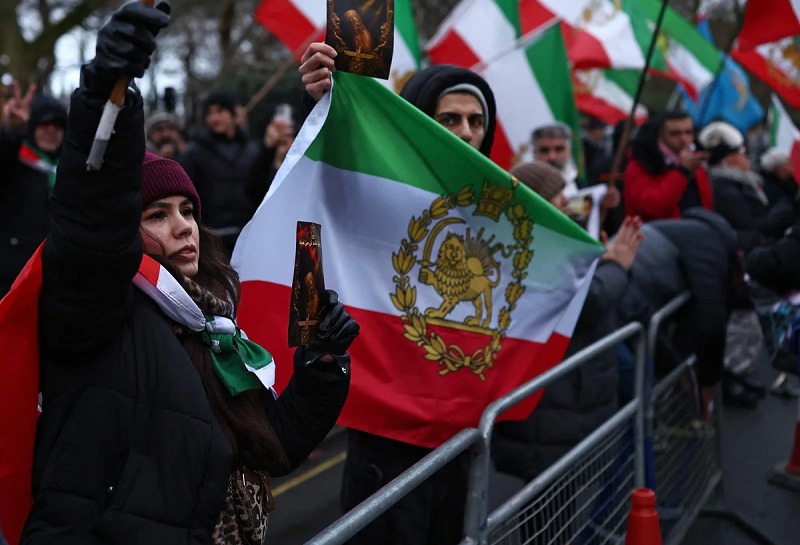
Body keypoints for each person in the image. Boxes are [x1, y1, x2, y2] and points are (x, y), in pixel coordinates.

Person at [17, 4, 358, 543]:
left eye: (188, 211)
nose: (183, 227)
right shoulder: (99, 311)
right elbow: (92, 218)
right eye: (157, 215)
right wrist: (108, 95)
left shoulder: (215, 326)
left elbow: (274, 446)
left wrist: (322, 363)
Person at [299, 44, 496, 545]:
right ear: (418, 123)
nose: (466, 132)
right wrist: (322, 105)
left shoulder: (499, 211)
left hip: (460, 436)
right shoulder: (376, 191)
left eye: (476, 121)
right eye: (450, 118)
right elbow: (329, 179)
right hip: (386, 439)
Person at [492, 161, 643, 485]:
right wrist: (618, 267)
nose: (566, 201)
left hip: (561, 401)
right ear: (534, 203)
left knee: (559, 497)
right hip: (551, 405)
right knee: (549, 499)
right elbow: (590, 300)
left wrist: (599, 260)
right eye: (556, 195)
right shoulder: (530, 249)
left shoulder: (542, 240)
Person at [616, 208, 737, 416]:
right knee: (637, 389)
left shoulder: (685, 232)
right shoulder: (710, 247)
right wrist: (699, 379)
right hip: (627, 300)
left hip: (626, 291)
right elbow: (711, 318)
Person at [0, 82, 67, 298]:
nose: (51, 130)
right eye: (43, 124)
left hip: (56, 282)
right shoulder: (14, 163)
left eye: (57, 125)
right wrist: (12, 131)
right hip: (12, 281)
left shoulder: (70, 171)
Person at [178, 91, 263, 253]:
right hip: (211, 237)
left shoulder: (252, 149)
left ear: (233, 114)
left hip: (248, 234)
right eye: (209, 113)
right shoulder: (194, 152)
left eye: (220, 111)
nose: (214, 118)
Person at [624, 111, 713, 221]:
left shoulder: (696, 167)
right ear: (660, 135)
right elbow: (653, 208)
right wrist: (681, 173)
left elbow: (706, 207)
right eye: (675, 134)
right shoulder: (640, 166)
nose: (684, 139)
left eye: (688, 133)